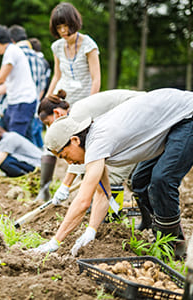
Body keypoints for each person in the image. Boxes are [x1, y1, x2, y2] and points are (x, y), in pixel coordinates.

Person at [33, 88, 193, 258]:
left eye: (65, 156)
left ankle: (174, 246)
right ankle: (162, 235)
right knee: (139, 182)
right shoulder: (93, 145)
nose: (69, 163)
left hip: (186, 116)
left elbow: (83, 201)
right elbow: (103, 194)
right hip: (169, 122)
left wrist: (55, 242)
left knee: (162, 179)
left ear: (74, 140)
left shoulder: (97, 144)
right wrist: (91, 230)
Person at [35, 3, 101, 201]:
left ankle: (86, 193)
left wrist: (91, 103)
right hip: (62, 100)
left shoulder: (89, 45)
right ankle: (43, 189)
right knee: (52, 139)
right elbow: (56, 75)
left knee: (80, 145)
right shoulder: (57, 47)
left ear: (74, 23)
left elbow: (96, 77)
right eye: (58, 28)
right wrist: (46, 98)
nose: (63, 31)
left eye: (66, 26)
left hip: (84, 100)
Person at [37, 89, 144, 206]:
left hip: (139, 114)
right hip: (131, 121)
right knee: (134, 175)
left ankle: (111, 214)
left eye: (48, 123)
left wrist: (65, 185)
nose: (50, 127)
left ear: (57, 113)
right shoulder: (76, 111)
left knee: (113, 177)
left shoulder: (76, 116)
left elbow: (80, 150)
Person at [8, 25, 47, 148]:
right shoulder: (40, 59)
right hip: (35, 105)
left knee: (18, 140)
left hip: (19, 104)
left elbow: (9, 83)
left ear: (12, 40)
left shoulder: (14, 56)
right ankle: (41, 164)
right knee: (34, 139)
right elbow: (42, 86)